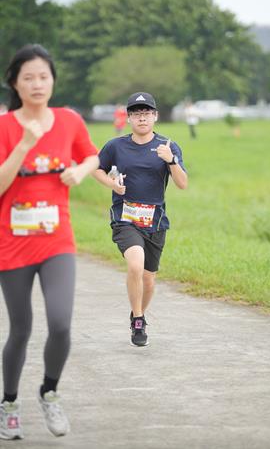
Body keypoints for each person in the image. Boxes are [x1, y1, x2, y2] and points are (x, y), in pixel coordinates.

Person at [0, 44, 99, 440]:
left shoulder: (70, 120)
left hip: (57, 239)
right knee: (20, 328)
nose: (38, 84)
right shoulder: (5, 127)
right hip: (12, 241)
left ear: (53, 79)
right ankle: (8, 402)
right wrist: (25, 142)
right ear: (14, 83)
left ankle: (49, 391)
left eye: (44, 76)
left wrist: (82, 170)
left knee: (60, 324)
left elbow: (93, 156)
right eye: (29, 77)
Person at [93, 92, 188, 347]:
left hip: (155, 221)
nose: (142, 118)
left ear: (155, 116)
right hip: (125, 217)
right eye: (136, 113)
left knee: (148, 278)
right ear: (129, 118)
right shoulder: (116, 146)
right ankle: (137, 320)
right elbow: (96, 168)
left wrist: (172, 161)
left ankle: (139, 312)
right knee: (135, 264)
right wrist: (112, 184)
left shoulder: (168, 146)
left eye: (146, 113)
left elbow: (182, 184)